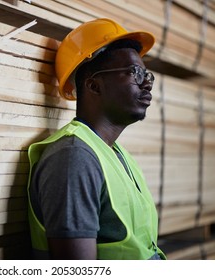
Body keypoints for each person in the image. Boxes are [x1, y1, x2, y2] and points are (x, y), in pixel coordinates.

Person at [27, 18, 166, 260]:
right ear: (93, 85)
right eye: (134, 72)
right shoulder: (73, 158)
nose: (147, 84)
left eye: (147, 75)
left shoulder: (117, 155)